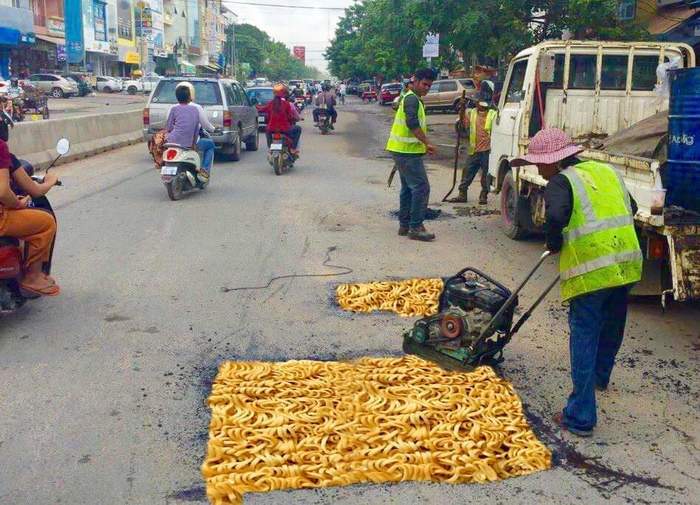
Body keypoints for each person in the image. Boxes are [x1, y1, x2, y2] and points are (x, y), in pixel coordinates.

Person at [511, 128, 642, 437]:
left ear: (554, 161)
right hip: (626, 262)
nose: (537, 169)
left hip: (592, 268)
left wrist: (554, 241)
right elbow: (632, 208)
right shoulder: (605, 171)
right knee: (612, 323)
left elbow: (556, 215)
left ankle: (581, 415)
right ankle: (600, 376)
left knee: (584, 332)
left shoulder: (561, 181)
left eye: (538, 163)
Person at [0, 111, 58, 296]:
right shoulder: (2, 150)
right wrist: (50, 181)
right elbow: (2, 191)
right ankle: (32, 277)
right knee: (46, 222)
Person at [386, 67, 437, 242]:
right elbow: (412, 124)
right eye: (425, 84)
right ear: (414, 81)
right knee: (421, 188)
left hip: (403, 150)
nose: (427, 88)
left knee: (409, 188)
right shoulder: (411, 100)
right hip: (406, 152)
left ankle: (405, 225)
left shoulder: (412, 98)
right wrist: (427, 142)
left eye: (430, 86)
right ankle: (415, 227)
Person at [449, 99, 497, 204]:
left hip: (488, 151)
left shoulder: (493, 114)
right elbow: (463, 122)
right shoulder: (472, 113)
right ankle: (462, 194)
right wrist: (462, 108)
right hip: (474, 150)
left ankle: (484, 195)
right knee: (467, 172)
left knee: (486, 174)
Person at [165, 82, 215, 179]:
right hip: (188, 142)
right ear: (190, 96)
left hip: (172, 141)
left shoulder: (173, 108)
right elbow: (196, 129)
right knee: (210, 145)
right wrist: (193, 145)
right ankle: (204, 170)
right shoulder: (196, 109)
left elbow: (169, 128)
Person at [256, 83, 301, 155]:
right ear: (283, 94)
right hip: (285, 129)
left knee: (267, 131)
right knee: (298, 129)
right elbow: (290, 117)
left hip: (272, 129)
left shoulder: (270, 103)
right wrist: (294, 119)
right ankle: (293, 148)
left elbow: (261, 109)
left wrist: (255, 106)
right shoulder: (286, 104)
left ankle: (270, 148)